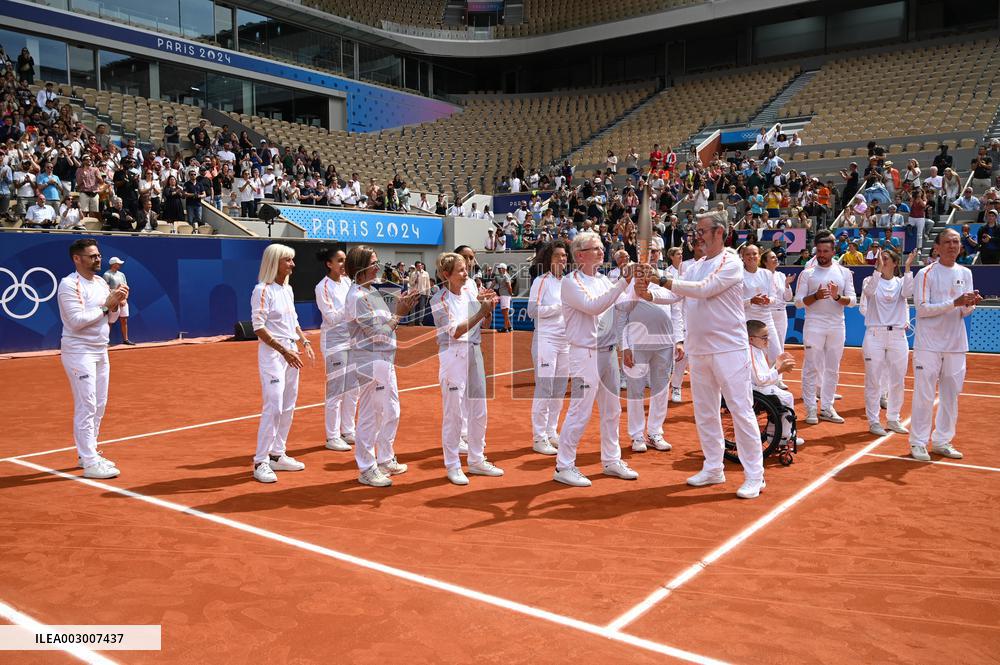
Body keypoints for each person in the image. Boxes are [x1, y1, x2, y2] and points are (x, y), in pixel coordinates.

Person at [651, 211, 765, 499]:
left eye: (702, 230)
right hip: (699, 350)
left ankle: (755, 475)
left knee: (740, 411)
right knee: (704, 412)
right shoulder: (696, 265)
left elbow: (704, 290)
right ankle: (713, 467)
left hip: (729, 349)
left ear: (719, 232)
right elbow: (677, 295)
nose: (697, 234)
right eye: (696, 229)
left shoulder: (731, 262)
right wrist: (648, 293)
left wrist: (662, 279)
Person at [554, 231, 638, 487]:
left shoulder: (603, 280)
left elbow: (624, 306)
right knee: (580, 411)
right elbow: (593, 306)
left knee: (613, 410)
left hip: (607, 352)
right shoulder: (570, 282)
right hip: (584, 353)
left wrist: (638, 284)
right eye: (595, 248)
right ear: (580, 255)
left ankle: (611, 460)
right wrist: (624, 282)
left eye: (602, 247)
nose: (602, 251)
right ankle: (564, 465)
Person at [344, 246, 420, 487]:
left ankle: (385, 458)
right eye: (373, 262)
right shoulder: (357, 297)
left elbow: (386, 325)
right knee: (371, 416)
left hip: (385, 361)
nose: (378, 266)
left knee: (392, 410)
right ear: (360, 267)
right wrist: (399, 314)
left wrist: (401, 307)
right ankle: (366, 467)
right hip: (370, 361)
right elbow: (377, 334)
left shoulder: (371, 292)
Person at [908, 230, 982, 461]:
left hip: (956, 344)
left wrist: (970, 304)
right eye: (947, 242)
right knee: (924, 395)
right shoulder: (926, 273)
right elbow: (922, 309)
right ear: (937, 248)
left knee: (951, 396)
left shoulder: (966, 272)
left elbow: (964, 312)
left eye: (956, 242)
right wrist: (955, 302)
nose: (952, 246)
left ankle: (942, 440)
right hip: (928, 344)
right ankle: (918, 442)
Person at [58, 239, 129, 478]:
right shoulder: (68, 285)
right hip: (79, 351)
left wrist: (117, 304)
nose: (97, 259)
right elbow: (76, 321)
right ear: (77, 259)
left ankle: (88, 453)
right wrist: (105, 306)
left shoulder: (100, 282)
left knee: (99, 404)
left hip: (101, 349)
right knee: (86, 405)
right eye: (92, 256)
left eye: (98, 255)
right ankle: (89, 461)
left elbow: (109, 319)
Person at [431, 252, 504, 485]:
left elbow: (484, 322)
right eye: (461, 270)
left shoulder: (471, 289)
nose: (466, 273)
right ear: (446, 275)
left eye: (466, 268)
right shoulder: (439, 299)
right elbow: (455, 331)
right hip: (452, 355)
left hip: (474, 351)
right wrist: (481, 311)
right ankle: (453, 464)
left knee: (479, 407)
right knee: (454, 413)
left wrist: (487, 308)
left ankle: (476, 459)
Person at [250, 244, 315, 483]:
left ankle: (278, 454)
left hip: (291, 352)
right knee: (274, 406)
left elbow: (293, 320)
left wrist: (303, 340)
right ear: (275, 262)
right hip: (273, 355)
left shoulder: (287, 290)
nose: (293, 264)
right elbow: (259, 327)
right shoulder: (262, 290)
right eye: (288, 260)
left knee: (289, 404)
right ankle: (261, 461)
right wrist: (284, 350)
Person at [620, 241, 684, 453]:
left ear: (661, 253)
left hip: (664, 344)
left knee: (660, 390)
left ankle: (655, 432)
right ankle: (637, 435)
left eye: (656, 251)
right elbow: (620, 314)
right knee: (636, 391)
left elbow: (677, 307)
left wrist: (678, 340)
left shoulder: (667, 279)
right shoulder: (629, 280)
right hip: (637, 344)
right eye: (648, 251)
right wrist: (625, 346)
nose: (652, 255)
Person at [795, 234, 856, 425]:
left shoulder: (844, 272)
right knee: (811, 367)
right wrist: (816, 296)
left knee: (832, 368)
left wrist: (837, 297)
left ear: (833, 252)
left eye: (825, 251)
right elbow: (798, 302)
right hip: (814, 323)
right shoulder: (807, 273)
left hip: (837, 324)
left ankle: (827, 407)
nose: (822, 255)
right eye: (819, 251)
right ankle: (811, 408)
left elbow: (853, 301)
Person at [860, 249, 916, 436]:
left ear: (894, 263)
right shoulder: (870, 280)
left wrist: (908, 267)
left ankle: (893, 418)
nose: (881, 261)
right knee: (873, 381)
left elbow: (909, 292)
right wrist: (877, 269)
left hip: (898, 336)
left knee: (897, 380)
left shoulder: (901, 282)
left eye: (885, 259)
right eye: (879, 259)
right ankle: (873, 421)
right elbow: (869, 292)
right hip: (875, 334)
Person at [527, 240, 570, 455]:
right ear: (548, 259)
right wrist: (559, 307)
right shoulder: (541, 281)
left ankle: (552, 431)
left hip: (566, 342)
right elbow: (532, 311)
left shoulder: (570, 282)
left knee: (560, 389)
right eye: (557, 256)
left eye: (564, 256)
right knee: (545, 388)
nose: (562, 259)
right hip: (546, 339)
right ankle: (539, 437)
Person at [314, 248, 358, 453]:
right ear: (329, 264)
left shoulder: (349, 283)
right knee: (336, 390)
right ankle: (332, 436)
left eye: (345, 261)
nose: (343, 264)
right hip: (334, 343)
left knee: (353, 388)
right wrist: (351, 305)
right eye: (339, 261)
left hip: (352, 341)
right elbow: (331, 317)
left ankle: (348, 430)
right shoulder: (322, 287)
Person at [747, 319, 803, 450]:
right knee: (785, 399)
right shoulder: (750, 352)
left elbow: (764, 376)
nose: (767, 340)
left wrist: (777, 365)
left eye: (768, 336)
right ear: (751, 339)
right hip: (755, 389)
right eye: (764, 337)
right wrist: (779, 370)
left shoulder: (757, 349)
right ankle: (781, 437)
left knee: (785, 398)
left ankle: (779, 435)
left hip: (761, 387)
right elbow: (760, 380)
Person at [741, 244, 780, 362]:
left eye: (754, 254)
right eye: (748, 254)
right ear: (742, 257)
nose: (751, 256)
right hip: (748, 319)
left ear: (759, 256)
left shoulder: (767, 273)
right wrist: (751, 301)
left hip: (766, 318)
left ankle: (777, 380)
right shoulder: (738, 275)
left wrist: (768, 300)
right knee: (752, 354)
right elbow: (735, 302)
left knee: (776, 351)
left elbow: (774, 297)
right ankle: (753, 380)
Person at [762, 249, 794, 361]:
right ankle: (763, 374)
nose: (776, 259)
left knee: (779, 346)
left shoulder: (781, 275)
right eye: (772, 257)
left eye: (776, 257)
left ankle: (778, 377)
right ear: (765, 262)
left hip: (781, 313)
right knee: (763, 346)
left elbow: (788, 297)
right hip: (766, 313)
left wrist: (787, 285)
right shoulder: (760, 275)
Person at [102, 257, 134, 346]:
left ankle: (126, 339)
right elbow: (106, 289)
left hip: (123, 301)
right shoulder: (107, 274)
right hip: (113, 301)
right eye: (118, 263)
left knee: (124, 320)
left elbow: (126, 287)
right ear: (113, 264)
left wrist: (124, 298)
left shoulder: (122, 274)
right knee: (110, 322)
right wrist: (116, 299)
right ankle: (106, 341)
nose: (120, 265)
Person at [407, 260, 432, 325]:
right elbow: (410, 283)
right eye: (418, 266)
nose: (420, 267)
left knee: (422, 307)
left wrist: (428, 293)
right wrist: (415, 281)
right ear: (416, 267)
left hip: (423, 292)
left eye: (420, 265)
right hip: (414, 293)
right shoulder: (413, 273)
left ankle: (420, 321)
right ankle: (412, 321)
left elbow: (428, 284)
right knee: (412, 307)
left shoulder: (426, 273)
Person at [494, 263, 513, 332]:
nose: (499, 270)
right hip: (503, 295)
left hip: (505, 295)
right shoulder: (503, 276)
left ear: (504, 269)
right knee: (504, 312)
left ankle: (505, 328)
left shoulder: (506, 276)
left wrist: (511, 294)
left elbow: (509, 287)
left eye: (500, 268)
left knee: (505, 312)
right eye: (498, 269)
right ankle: (509, 326)